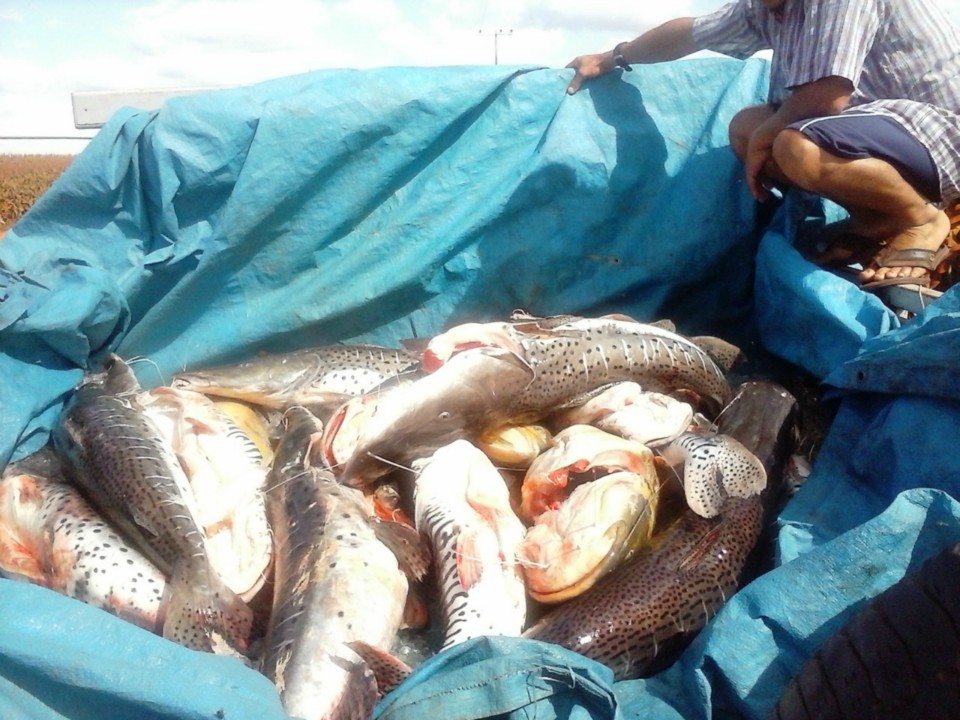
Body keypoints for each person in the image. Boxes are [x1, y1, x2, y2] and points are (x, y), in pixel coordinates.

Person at [566, 0, 960, 289]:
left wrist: (765, 138)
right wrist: (611, 57)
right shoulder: (765, 5)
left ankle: (920, 220)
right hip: (885, 127)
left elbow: (828, 94)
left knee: (794, 146)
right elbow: (690, 33)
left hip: (941, 130)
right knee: (746, 126)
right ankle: (879, 220)